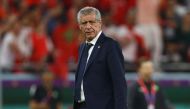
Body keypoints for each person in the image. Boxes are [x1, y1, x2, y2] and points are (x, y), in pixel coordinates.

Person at [74, 7, 127, 109]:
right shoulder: (82, 47)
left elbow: (119, 83)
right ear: (80, 26)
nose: (88, 26)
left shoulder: (110, 46)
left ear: (100, 23)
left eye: (92, 22)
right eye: (84, 23)